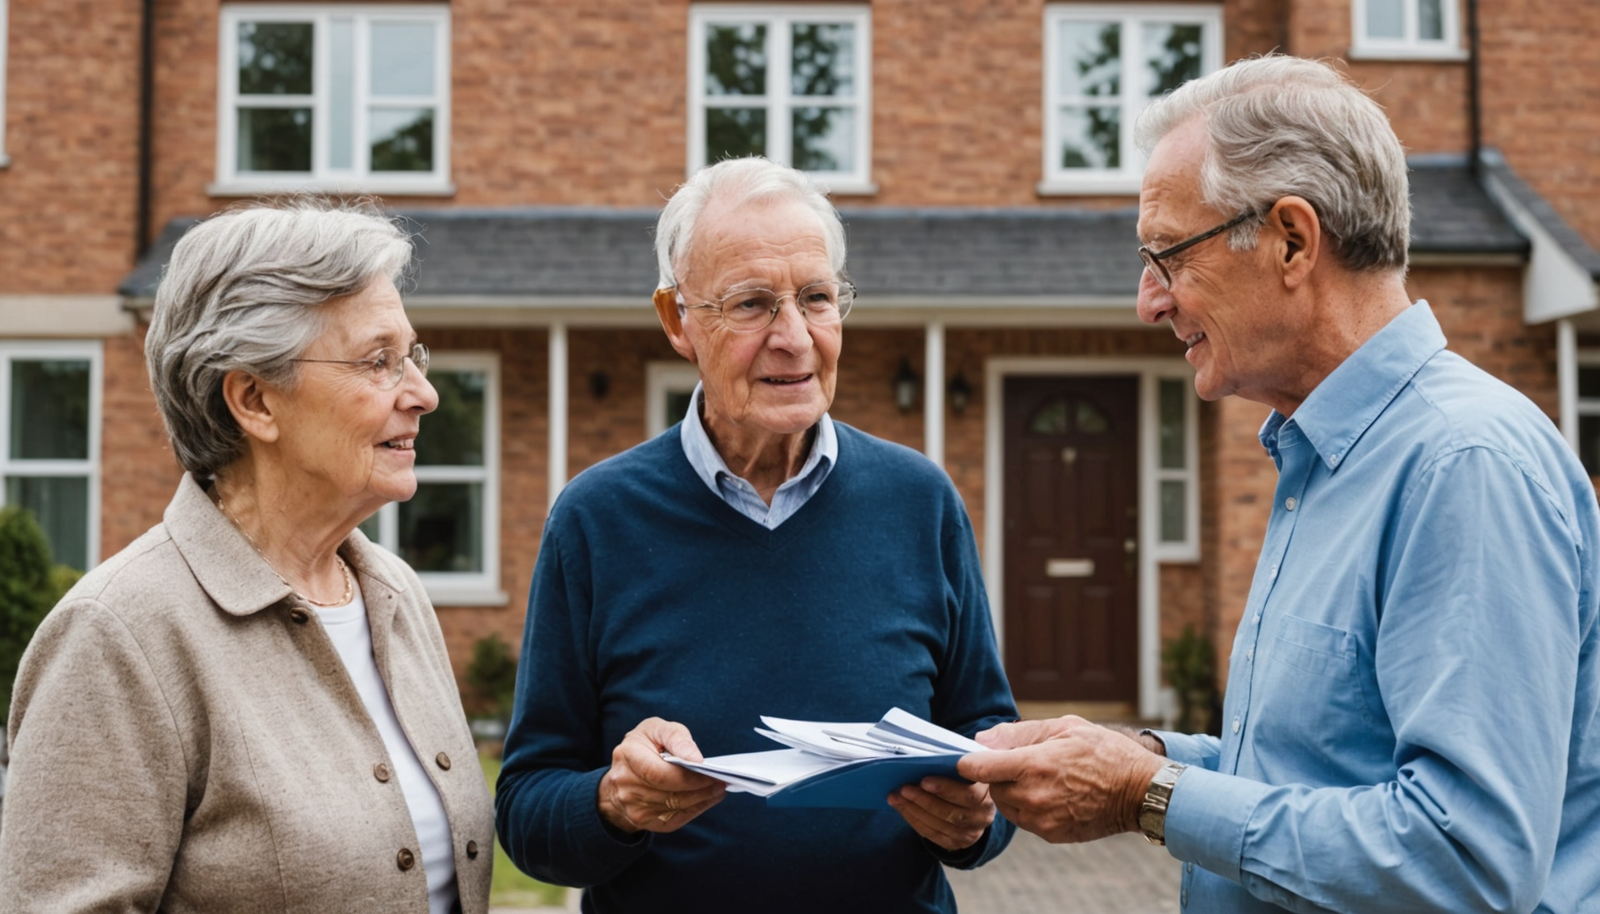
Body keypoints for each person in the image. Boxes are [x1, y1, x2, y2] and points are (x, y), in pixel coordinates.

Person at [959, 55, 1600, 913]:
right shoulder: (1324, 458)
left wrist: (1147, 797)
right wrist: (1139, 757)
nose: (1148, 301)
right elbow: (1314, 774)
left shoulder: (1462, 466)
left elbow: (1466, 861)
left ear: (1292, 241)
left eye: (1168, 255)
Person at [494, 157, 1016, 912]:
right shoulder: (596, 518)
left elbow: (988, 753)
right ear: (678, 321)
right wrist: (614, 803)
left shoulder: (920, 501)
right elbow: (527, 809)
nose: (794, 338)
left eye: (816, 298)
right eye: (752, 305)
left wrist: (974, 825)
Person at [0, 201, 495, 914]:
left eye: (411, 356)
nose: (423, 393)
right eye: (378, 361)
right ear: (255, 400)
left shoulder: (394, 593)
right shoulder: (117, 637)